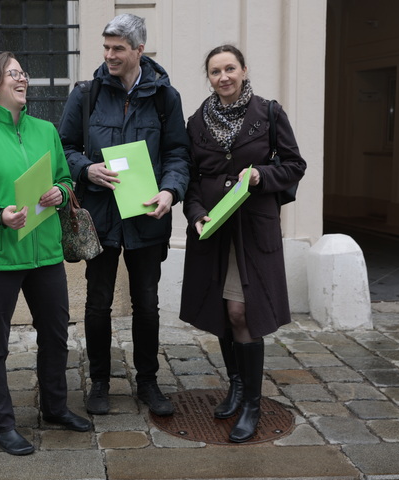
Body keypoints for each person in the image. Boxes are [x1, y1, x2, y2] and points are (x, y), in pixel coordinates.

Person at [0, 52, 91, 456]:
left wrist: (60, 193)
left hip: (44, 252)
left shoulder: (46, 130)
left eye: (23, 72)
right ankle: (2, 425)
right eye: (13, 74)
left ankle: (56, 407)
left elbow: (65, 179)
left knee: (56, 335)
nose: (22, 78)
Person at [58, 14, 190, 416]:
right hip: (100, 217)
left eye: (118, 48)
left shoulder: (166, 97)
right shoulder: (87, 94)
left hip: (147, 217)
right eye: (106, 47)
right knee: (97, 303)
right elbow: (63, 147)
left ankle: (148, 381)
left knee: (146, 303)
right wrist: (86, 168)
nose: (109, 55)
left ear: (138, 50)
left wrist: (171, 190)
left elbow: (178, 154)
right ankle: (100, 381)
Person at [179, 44, 307, 443]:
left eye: (230, 68)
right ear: (210, 77)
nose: (224, 77)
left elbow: (294, 165)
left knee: (240, 312)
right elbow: (192, 177)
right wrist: (195, 211)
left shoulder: (268, 113)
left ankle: (251, 400)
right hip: (213, 229)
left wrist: (260, 178)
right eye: (216, 71)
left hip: (251, 230)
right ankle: (235, 384)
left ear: (244, 70)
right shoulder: (197, 121)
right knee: (221, 309)